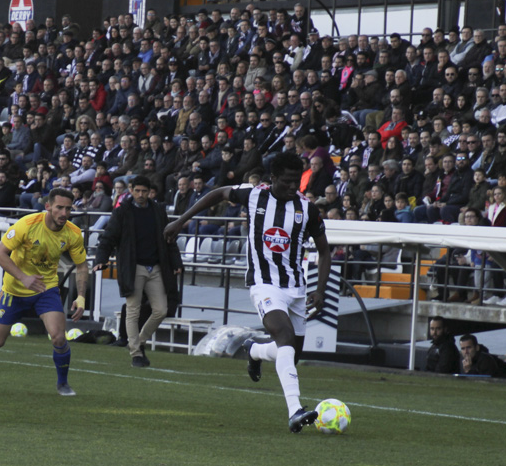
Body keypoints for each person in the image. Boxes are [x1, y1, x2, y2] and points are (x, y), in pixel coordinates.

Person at [165, 153, 332, 432]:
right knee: (284, 336)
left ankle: (254, 350)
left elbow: (325, 252)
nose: (294, 187)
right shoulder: (254, 195)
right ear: (273, 178)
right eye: (288, 181)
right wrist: (181, 221)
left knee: (290, 352)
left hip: (297, 287)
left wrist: (321, 289)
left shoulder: (307, 210)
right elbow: (218, 193)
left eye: (297, 182)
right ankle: (295, 411)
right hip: (264, 283)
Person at [0, 188, 89, 396]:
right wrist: (24, 278)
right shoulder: (27, 225)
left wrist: (81, 297)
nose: (64, 213)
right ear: (47, 206)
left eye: (68, 208)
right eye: (59, 208)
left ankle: (63, 384)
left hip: (45, 289)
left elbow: (82, 266)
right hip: (15, 290)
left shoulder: (73, 233)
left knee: (58, 337)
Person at [92, 176, 184, 368]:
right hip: (133, 267)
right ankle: (136, 353)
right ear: (131, 190)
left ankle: (139, 342)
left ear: (150, 191)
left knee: (161, 310)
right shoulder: (122, 212)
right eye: (137, 191)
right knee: (133, 310)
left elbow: (169, 239)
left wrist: (176, 261)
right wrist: (101, 259)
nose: (141, 195)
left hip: (156, 267)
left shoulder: (158, 211)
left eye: (144, 191)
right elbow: (109, 237)